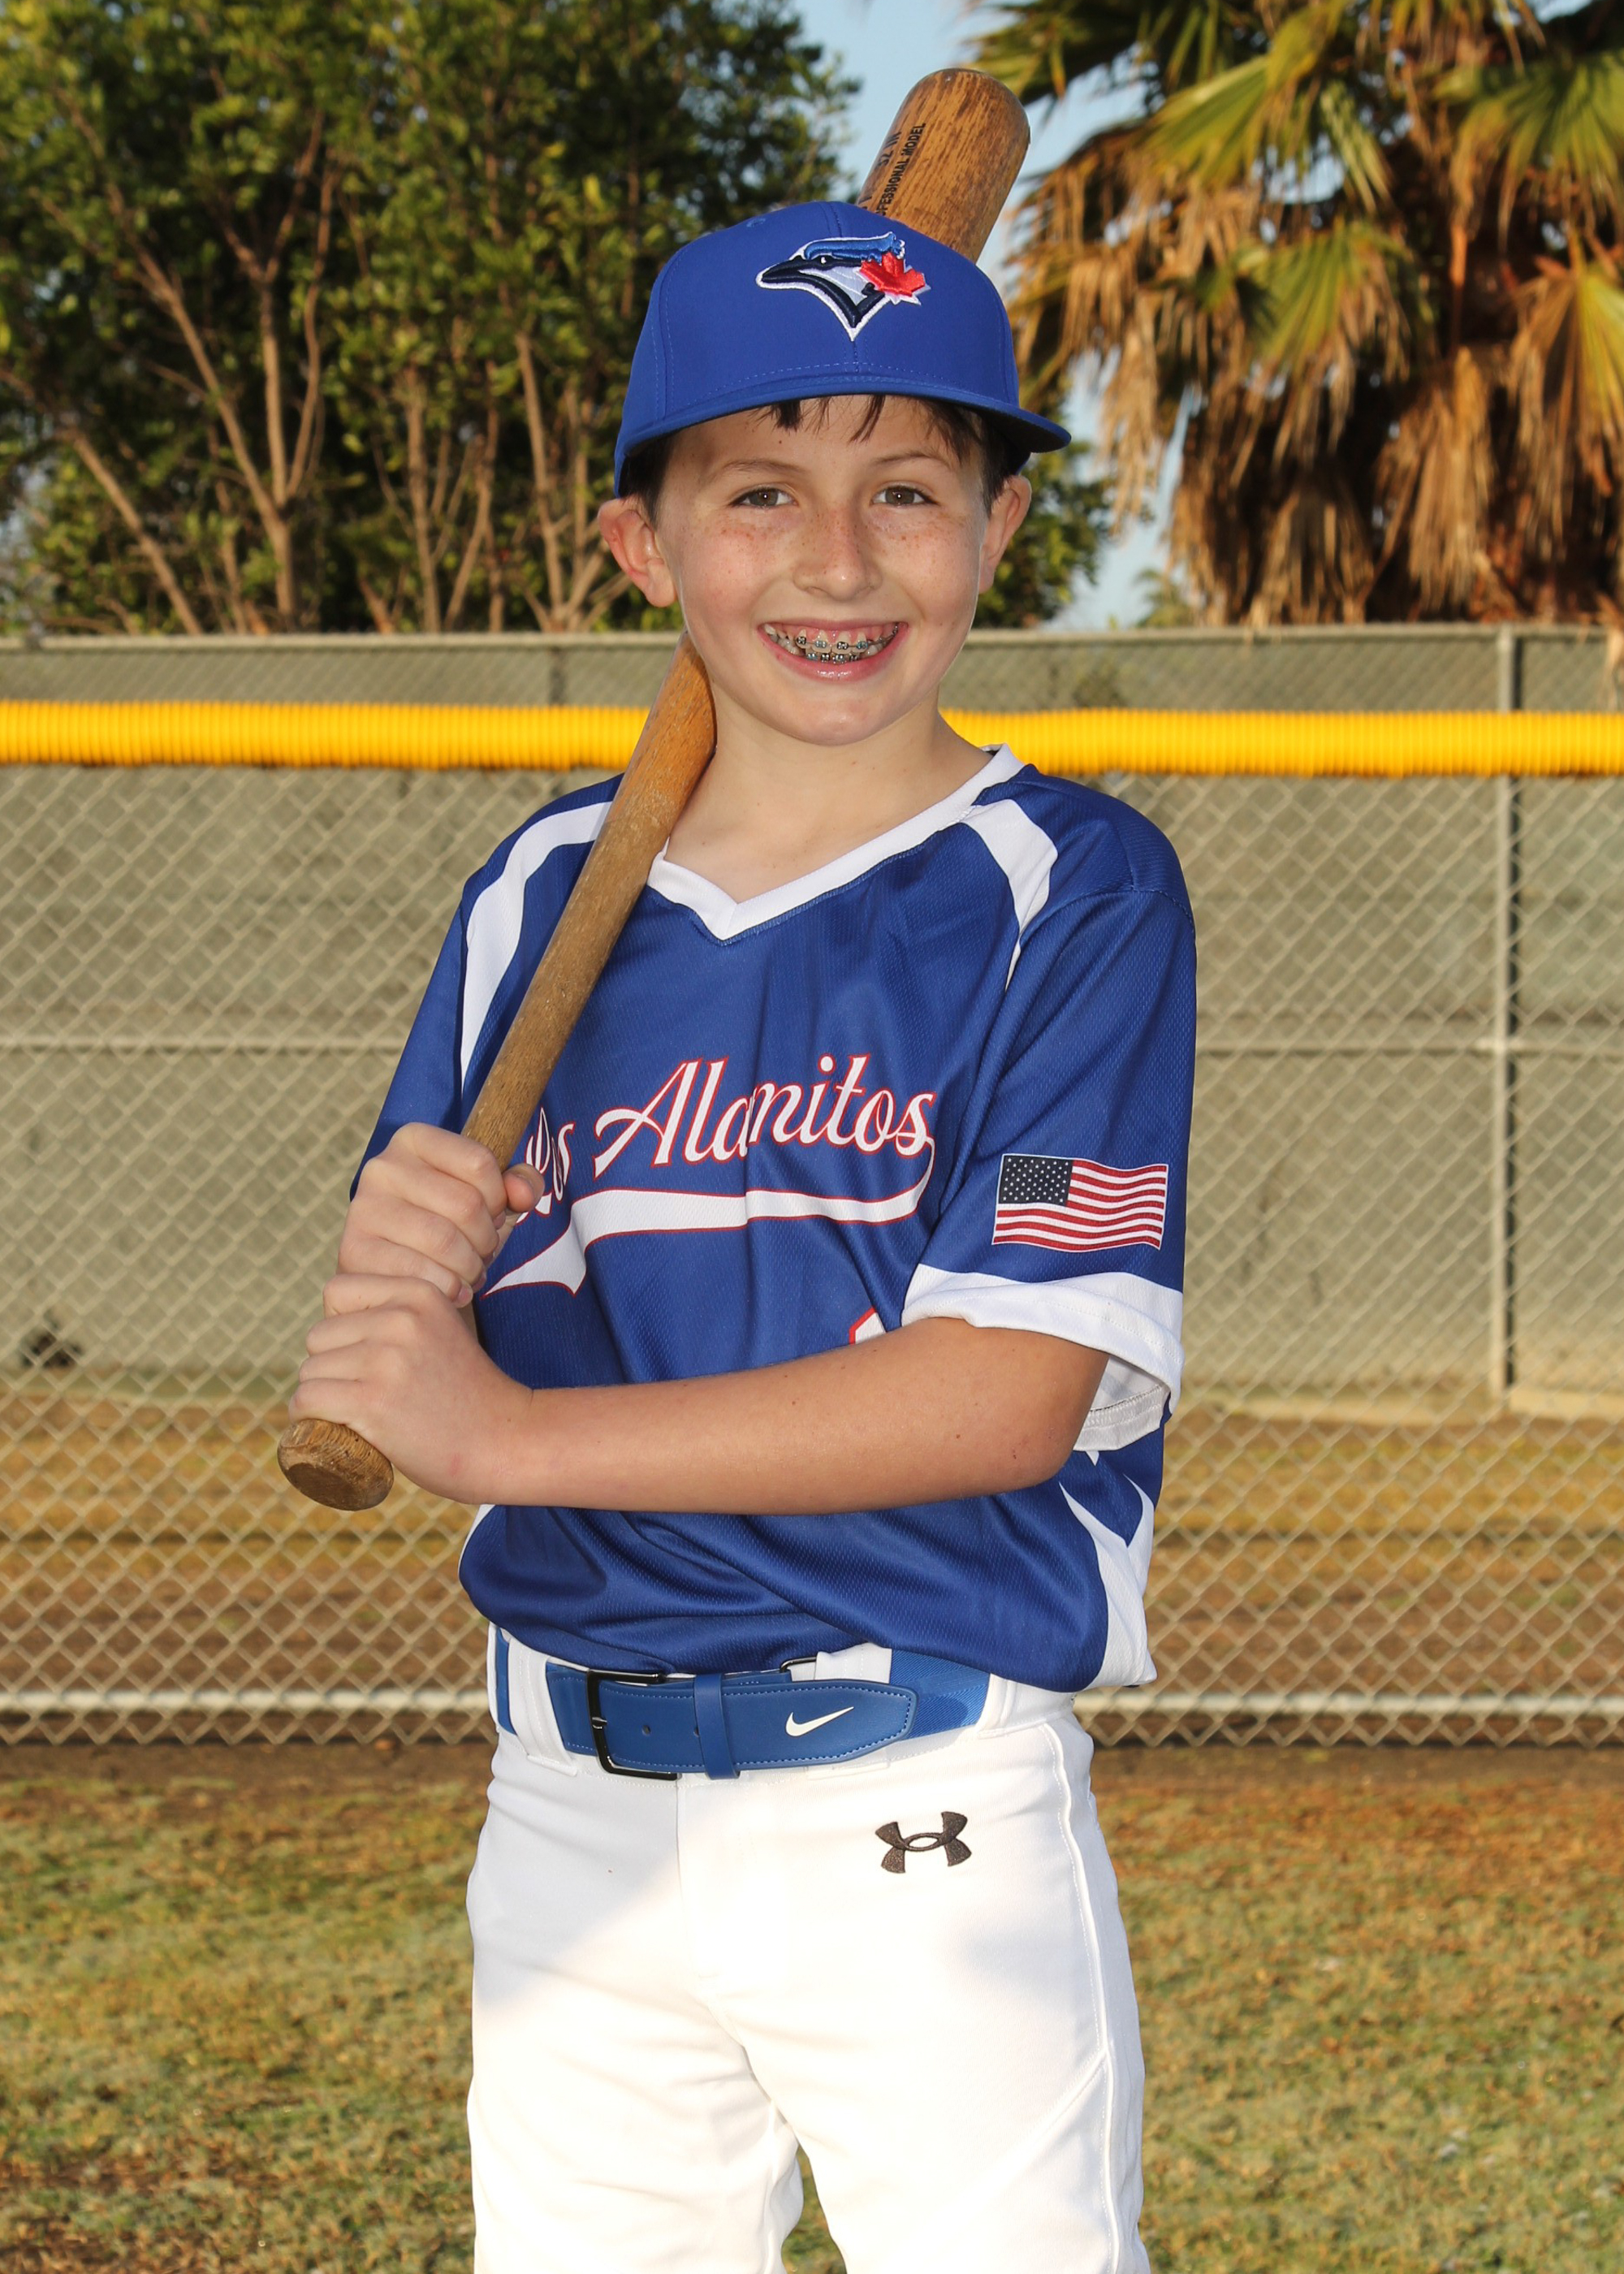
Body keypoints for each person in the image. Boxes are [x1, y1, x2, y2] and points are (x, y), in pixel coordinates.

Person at [290, 202, 1195, 2274]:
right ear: (644, 545)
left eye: (907, 491)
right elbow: (430, 1318)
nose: (836, 560)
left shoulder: (1071, 884)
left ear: (997, 526)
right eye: (759, 492)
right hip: (569, 1795)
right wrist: (404, 1240)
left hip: (915, 1796)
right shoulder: (539, 894)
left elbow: (1003, 1392)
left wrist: (503, 1437)